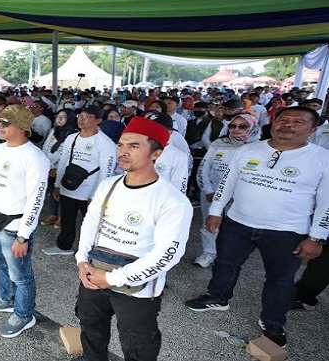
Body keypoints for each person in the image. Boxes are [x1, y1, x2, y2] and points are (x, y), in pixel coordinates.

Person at [185, 106, 329, 348]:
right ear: (273, 123)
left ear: (313, 130)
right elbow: (227, 185)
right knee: (225, 264)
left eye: (298, 121)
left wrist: (316, 237)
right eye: (283, 120)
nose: (288, 125)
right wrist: (215, 212)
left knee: (280, 279)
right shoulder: (248, 150)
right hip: (238, 223)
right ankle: (218, 297)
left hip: (288, 231)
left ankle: (273, 321)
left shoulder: (322, 158)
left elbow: (327, 201)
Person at [75, 116, 193, 361]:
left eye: (134, 145)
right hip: (94, 273)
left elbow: (166, 255)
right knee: (90, 327)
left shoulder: (172, 200)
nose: (123, 151)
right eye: (121, 145)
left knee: (137, 343)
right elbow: (90, 224)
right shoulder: (108, 184)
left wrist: (112, 278)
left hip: (135, 289)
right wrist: (81, 262)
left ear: (156, 153)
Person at [0, 105, 49, 339]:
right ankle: (6, 298)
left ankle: (24, 314)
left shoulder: (34, 158)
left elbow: (36, 201)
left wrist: (23, 235)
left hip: (14, 226)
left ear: (22, 127)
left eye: (5, 123)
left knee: (21, 275)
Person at [43, 106, 117, 256]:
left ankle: (96, 252)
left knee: (93, 223)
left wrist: (96, 195)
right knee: (67, 218)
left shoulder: (105, 143)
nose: (81, 119)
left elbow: (106, 171)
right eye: (80, 116)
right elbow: (63, 162)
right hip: (69, 186)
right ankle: (64, 246)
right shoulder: (72, 138)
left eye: (87, 116)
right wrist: (58, 185)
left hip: (89, 191)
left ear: (98, 120)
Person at [193, 113, 261, 268]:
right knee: (209, 224)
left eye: (242, 126)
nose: (236, 129)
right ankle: (209, 253)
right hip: (211, 192)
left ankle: (226, 255)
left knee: (234, 228)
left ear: (252, 127)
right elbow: (203, 168)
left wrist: (236, 196)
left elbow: (255, 176)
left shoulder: (257, 148)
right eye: (232, 125)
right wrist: (208, 191)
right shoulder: (218, 143)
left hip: (239, 197)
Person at [40, 109, 78, 229]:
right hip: (49, 166)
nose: (59, 119)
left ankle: (62, 217)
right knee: (52, 192)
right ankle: (53, 214)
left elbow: (67, 154)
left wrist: (56, 166)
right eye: (58, 116)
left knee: (63, 194)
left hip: (63, 168)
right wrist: (45, 164)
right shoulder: (53, 131)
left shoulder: (74, 134)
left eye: (64, 117)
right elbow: (46, 147)